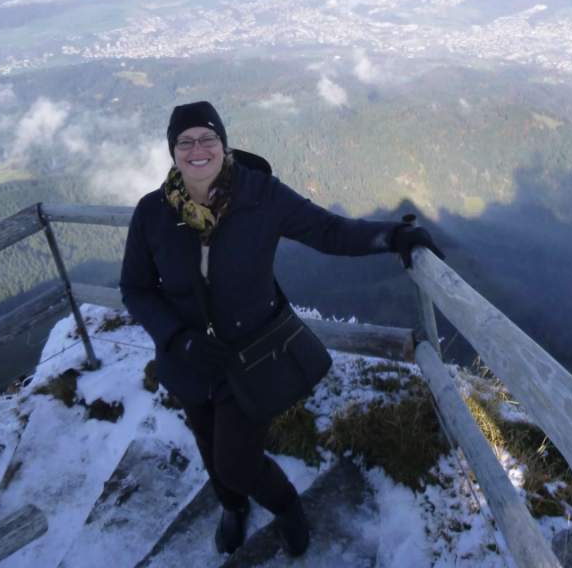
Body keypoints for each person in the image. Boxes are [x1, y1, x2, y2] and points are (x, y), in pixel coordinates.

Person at [119, 100, 443, 557]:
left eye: (207, 138)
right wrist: (177, 338)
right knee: (211, 451)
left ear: (223, 144)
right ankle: (232, 508)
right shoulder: (152, 212)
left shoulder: (260, 195)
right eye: (185, 141)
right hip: (188, 362)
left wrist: (391, 236)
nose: (197, 149)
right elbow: (135, 288)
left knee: (238, 463)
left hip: (251, 358)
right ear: (172, 151)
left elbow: (329, 231)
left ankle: (287, 507)